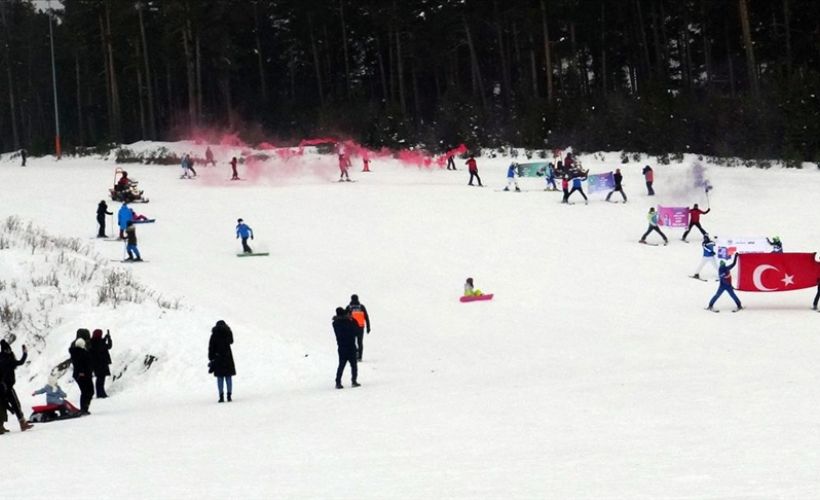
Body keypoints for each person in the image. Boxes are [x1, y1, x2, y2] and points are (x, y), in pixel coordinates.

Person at [0, 340, 34, 432]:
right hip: (8, 387)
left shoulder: (1, 358)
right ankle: (22, 424)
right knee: (16, 405)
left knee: (5, 406)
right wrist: (25, 353)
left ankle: (1, 426)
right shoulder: (8, 360)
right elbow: (21, 362)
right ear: (6, 350)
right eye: (9, 349)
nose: (10, 351)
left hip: (2, 388)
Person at [208, 320, 236, 403]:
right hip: (227, 357)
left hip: (218, 357)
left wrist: (211, 357)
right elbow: (231, 341)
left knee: (220, 377)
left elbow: (211, 347)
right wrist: (229, 330)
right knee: (228, 377)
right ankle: (229, 396)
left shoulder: (214, 334)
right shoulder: (227, 332)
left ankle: (221, 396)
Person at [332, 307, 359, 389]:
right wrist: (351, 319)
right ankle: (354, 381)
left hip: (341, 347)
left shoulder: (335, 323)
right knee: (354, 365)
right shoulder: (348, 322)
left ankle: (338, 382)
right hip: (351, 346)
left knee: (341, 365)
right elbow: (355, 331)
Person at [69, 338, 94, 414]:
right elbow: (79, 363)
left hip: (82, 375)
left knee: (87, 391)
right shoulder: (81, 353)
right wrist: (82, 371)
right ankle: (84, 408)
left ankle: (84, 408)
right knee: (87, 391)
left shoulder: (76, 352)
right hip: (83, 375)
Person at [347, 294, 371, 362]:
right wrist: (368, 327)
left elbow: (345, 317)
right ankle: (360, 357)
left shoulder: (349, 307)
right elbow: (366, 317)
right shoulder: (361, 307)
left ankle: (355, 353)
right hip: (360, 327)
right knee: (360, 342)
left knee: (352, 342)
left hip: (351, 327)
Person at [90, 329, 113, 398]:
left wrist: (106, 339)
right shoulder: (100, 342)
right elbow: (108, 346)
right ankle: (101, 394)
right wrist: (108, 339)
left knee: (100, 379)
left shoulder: (92, 342)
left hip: (96, 364)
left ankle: (100, 393)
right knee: (101, 379)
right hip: (102, 364)